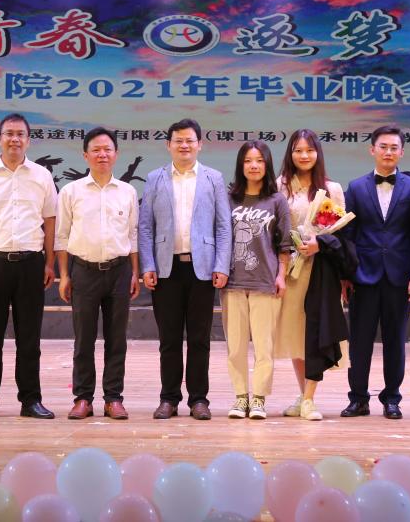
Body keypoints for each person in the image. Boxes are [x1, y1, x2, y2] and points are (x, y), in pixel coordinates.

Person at [0, 113, 58, 420]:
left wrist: (49, 263)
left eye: (20, 134)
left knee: (29, 338)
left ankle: (31, 400)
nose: (14, 139)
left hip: (31, 264)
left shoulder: (42, 176)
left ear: (28, 140)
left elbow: (50, 223)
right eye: (9, 134)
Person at [138, 118, 232, 420]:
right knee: (168, 339)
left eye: (190, 140)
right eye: (178, 140)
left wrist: (221, 265)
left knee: (200, 339)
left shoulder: (213, 178)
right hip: (166, 270)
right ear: (168, 145)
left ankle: (199, 399)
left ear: (200, 144)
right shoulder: (155, 178)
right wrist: (148, 264)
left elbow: (223, 226)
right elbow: (145, 226)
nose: (184, 145)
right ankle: (168, 398)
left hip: (202, 269)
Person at [54, 127, 139, 420]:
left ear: (116, 154)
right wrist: (64, 276)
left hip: (119, 271)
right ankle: (83, 398)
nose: (102, 154)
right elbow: (62, 237)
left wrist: (135, 273)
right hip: (83, 271)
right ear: (85, 155)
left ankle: (113, 398)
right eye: (96, 150)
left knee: (117, 340)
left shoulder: (127, 192)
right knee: (84, 339)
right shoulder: (71, 191)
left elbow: (133, 235)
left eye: (107, 149)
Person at [340, 125, 410, 420]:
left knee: (395, 341)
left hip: (400, 277)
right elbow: (348, 235)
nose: (388, 152)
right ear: (372, 149)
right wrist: (346, 275)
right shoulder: (356, 187)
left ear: (402, 152)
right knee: (359, 341)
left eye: (394, 147)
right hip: (363, 276)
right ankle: (358, 398)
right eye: (383, 146)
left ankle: (392, 399)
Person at [274, 129, 349, 421]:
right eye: (298, 150)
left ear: (318, 153)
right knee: (296, 336)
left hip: (321, 272)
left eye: (309, 150)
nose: (304, 156)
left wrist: (320, 243)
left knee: (317, 333)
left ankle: (309, 399)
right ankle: (303, 394)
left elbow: (340, 235)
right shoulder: (280, 186)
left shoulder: (332, 188)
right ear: (290, 154)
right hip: (292, 271)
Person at [223, 141, 291, 420]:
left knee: (264, 346)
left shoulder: (277, 201)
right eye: (248, 161)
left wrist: (281, 275)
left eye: (260, 161)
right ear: (241, 165)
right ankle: (241, 398)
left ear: (267, 165)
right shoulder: (228, 198)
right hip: (233, 283)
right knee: (235, 347)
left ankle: (259, 398)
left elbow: (284, 244)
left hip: (265, 281)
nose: (254, 166)